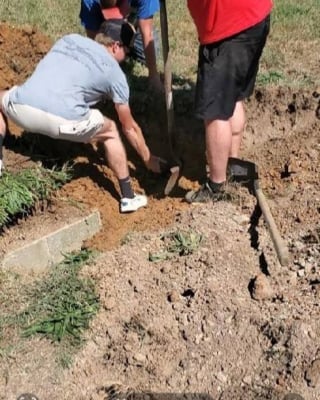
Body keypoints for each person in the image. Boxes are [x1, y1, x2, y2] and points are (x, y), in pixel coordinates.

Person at [0, 20, 160, 213]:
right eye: (126, 52)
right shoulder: (116, 75)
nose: (125, 58)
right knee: (110, 130)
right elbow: (130, 127)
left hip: (22, 107)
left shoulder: (69, 39)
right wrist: (148, 158)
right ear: (116, 46)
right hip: (63, 122)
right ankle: (128, 196)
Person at [185, 0, 273, 203]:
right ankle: (232, 168)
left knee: (215, 111)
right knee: (233, 97)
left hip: (228, 27)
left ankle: (216, 186)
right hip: (254, 17)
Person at [80, 0, 162, 91]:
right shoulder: (90, 2)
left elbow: (147, 33)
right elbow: (95, 41)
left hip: (134, 19)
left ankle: (129, 42)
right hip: (105, 25)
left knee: (149, 53)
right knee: (107, 57)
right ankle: (121, 48)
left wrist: (153, 75)